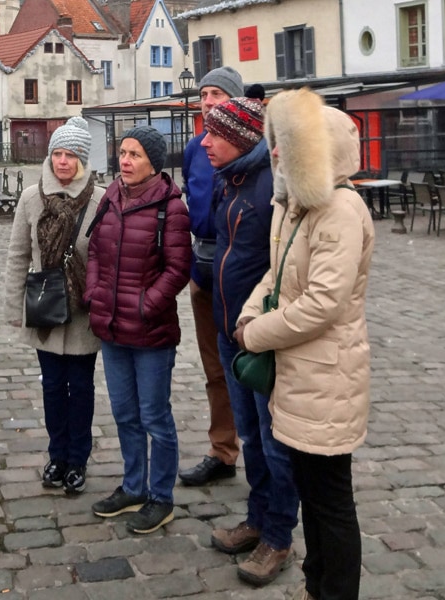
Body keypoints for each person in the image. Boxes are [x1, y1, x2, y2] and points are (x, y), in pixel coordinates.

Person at [235, 88, 375, 600]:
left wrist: (254, 332)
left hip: (326, 376)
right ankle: (317, 587)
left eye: (286, 144)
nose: (274, 152)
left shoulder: (340, 209)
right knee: (312, 496)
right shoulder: (293, 205)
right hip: (298, 374)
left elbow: (322, 303)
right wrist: (252, 310)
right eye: (277, 142)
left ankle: (335, 591)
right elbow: (276, 275)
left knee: (331, 500)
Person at [201, 97, 299, 586]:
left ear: (239, 137)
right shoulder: (231, 180)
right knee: (250, 436)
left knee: (274, 440)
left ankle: (278, 536)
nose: (203, 141)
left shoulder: (269, 187)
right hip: (229, 330)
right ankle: (257, 519)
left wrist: (257, 323)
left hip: (260, 335)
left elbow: (282, 268)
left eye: (213, 133)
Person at [85, 126, 191, 534]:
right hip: (111, 327)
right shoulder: (111, 196)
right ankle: (133, 486)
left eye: (135, 155)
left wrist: (146, 305)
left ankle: (160, 497)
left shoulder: (171, 207)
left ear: (153, 162)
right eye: (123, 153)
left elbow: (178, 269)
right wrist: (95, 292)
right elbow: (95, 250)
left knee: (154, 416)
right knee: (125, 413)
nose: (125, 161)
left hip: (150, 333)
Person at [3, 116, 103, 495]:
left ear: (82, 159)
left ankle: (78, 458)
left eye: (71, 155)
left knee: (80, 386)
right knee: (51, 386)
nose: (62, 162)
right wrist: (14, 308)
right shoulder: (32, 198)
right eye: (57, 154)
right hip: (45, 305)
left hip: (82, 311)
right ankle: (56, 455)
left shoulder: (99, 198)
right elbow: (17, 255)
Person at [179, 66, 245, 487]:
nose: (207, 102)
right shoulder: (194, 149)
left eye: (217, 94)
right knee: (214, 367)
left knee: (251, 365)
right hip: (203, 272)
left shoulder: (252, 150)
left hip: (242, 274)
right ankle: (223, 450)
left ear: (235, 102)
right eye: (204, 95)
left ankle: (265, 454)